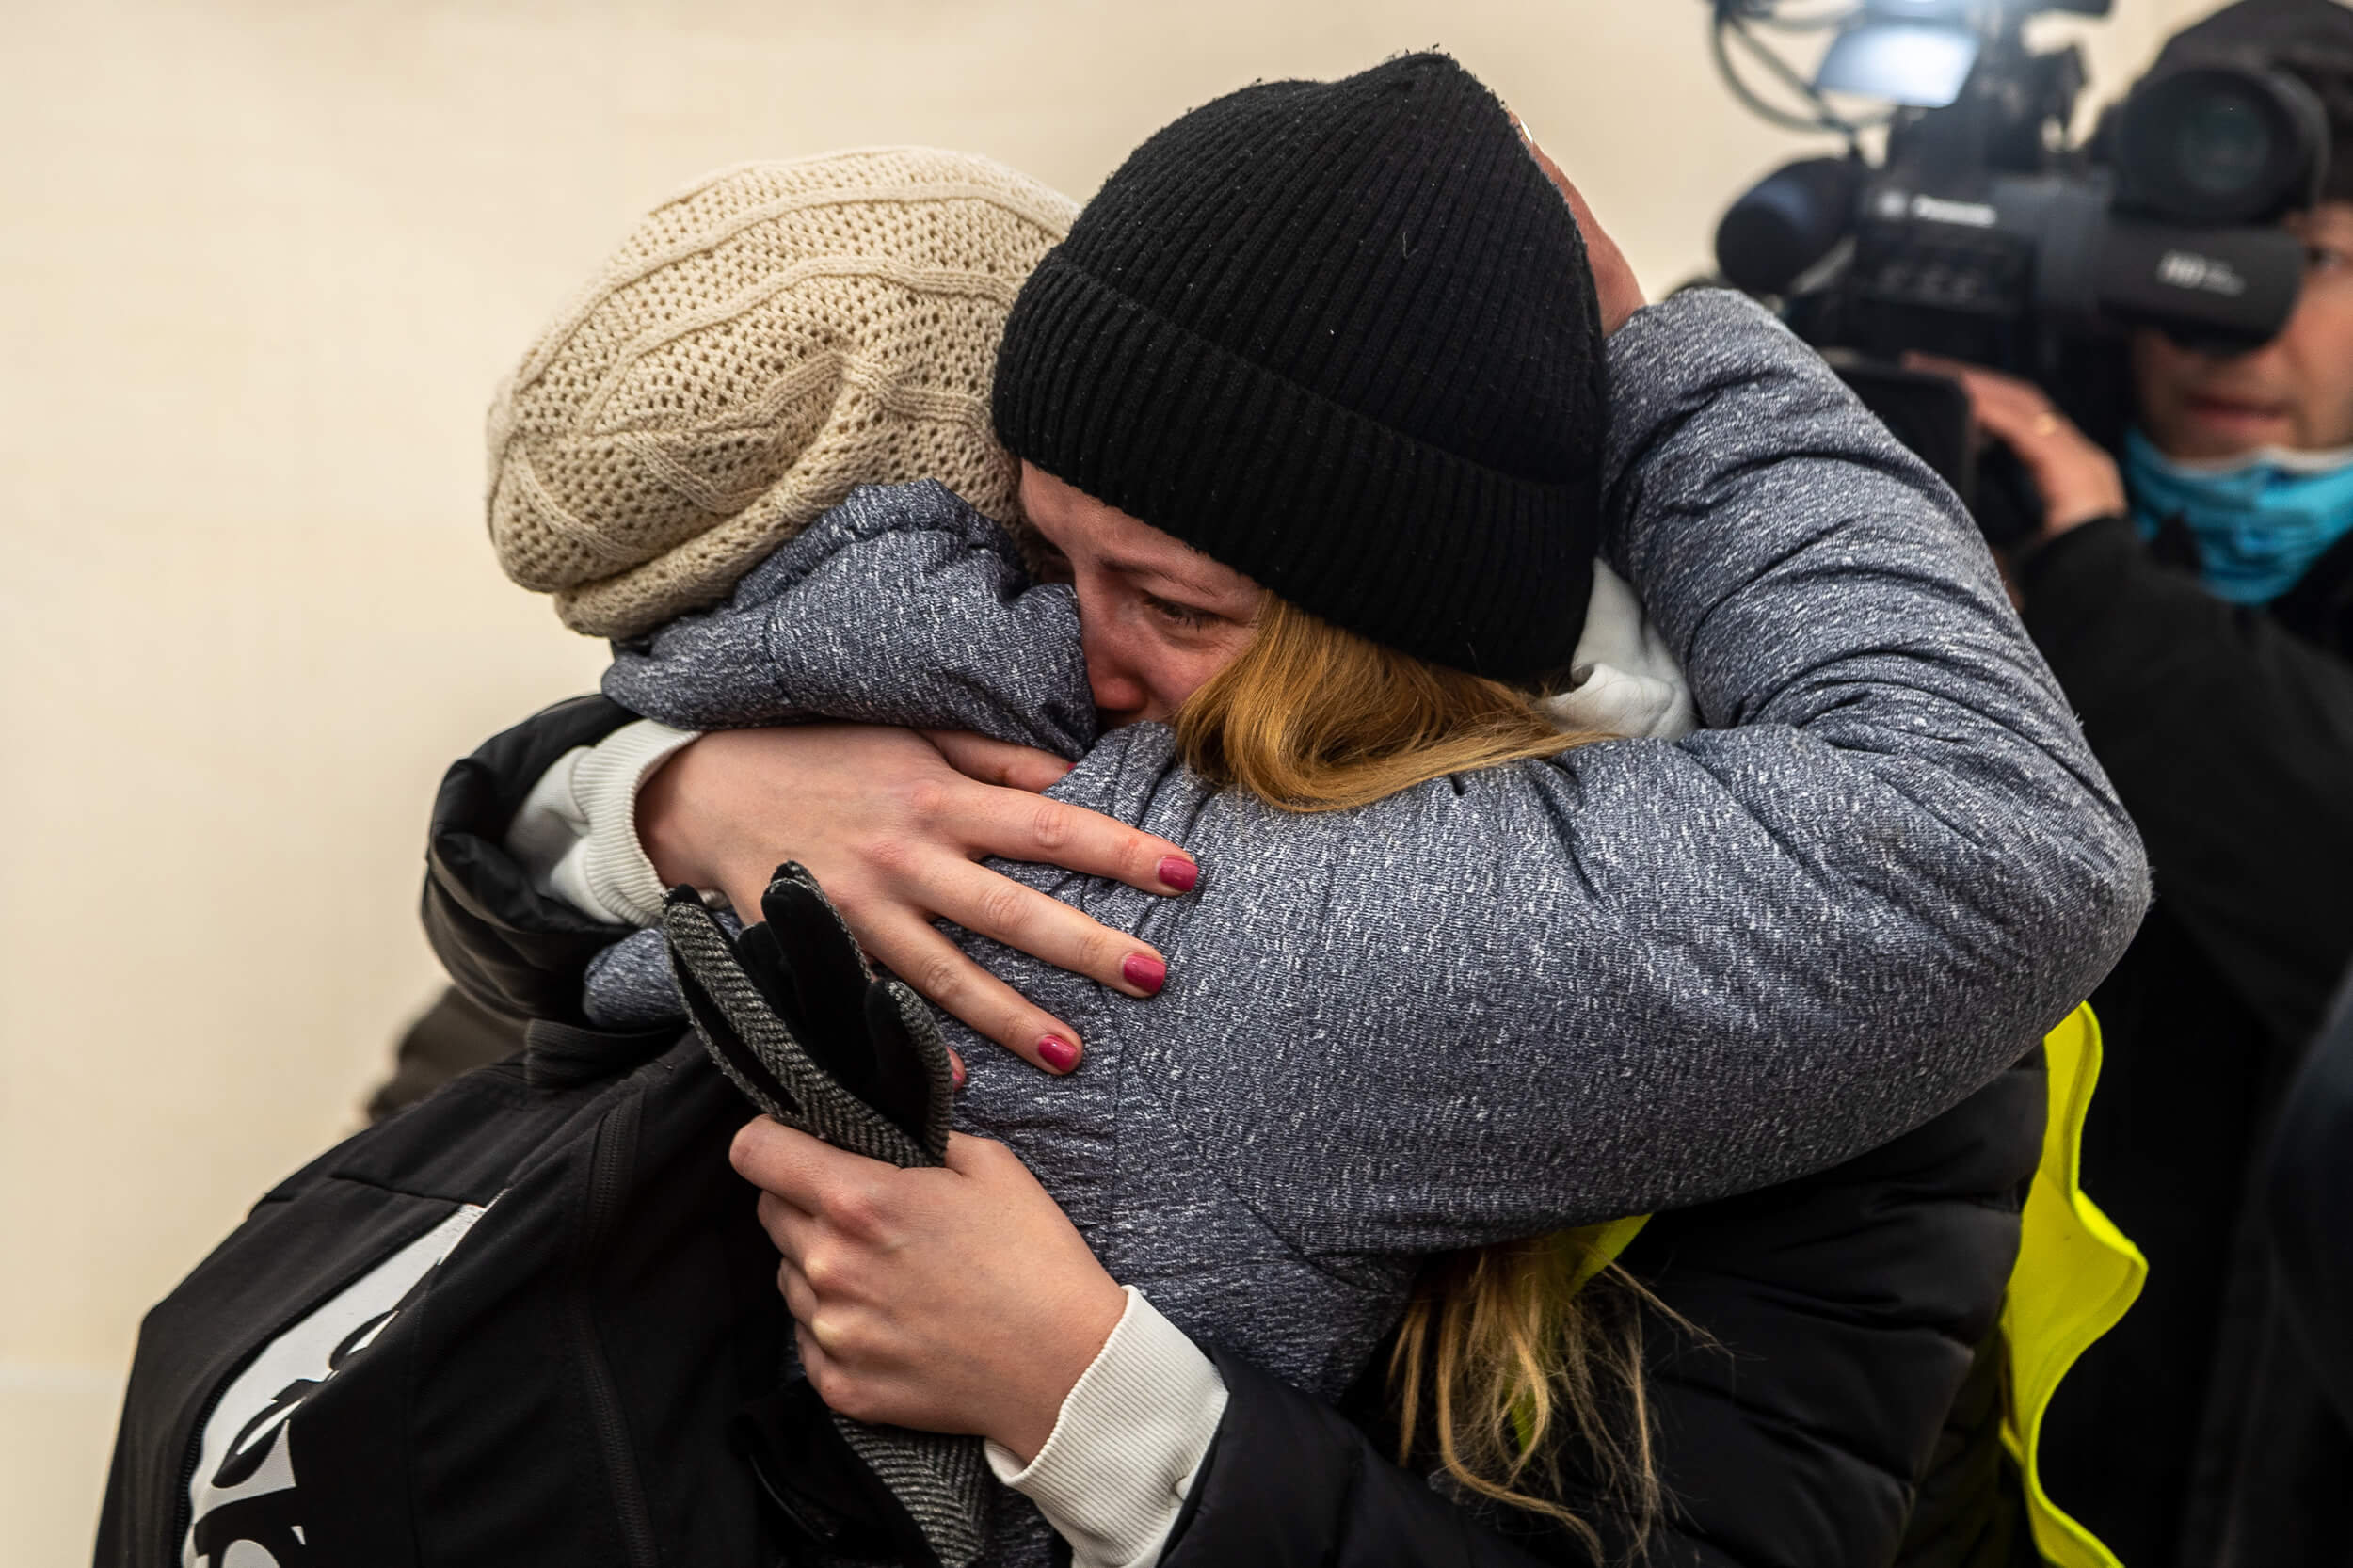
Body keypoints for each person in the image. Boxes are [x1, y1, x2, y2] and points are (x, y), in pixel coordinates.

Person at [430, 64, 2143, 1564]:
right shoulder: (989, 814)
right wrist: (663, 793)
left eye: (1172, 602)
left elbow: (2007, 845)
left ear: (1390, 607)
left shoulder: (1242, 914)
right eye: (1045, 558)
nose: (1082, 666)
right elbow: (2008, 824)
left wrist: (1110, 1405)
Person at [1909, 3, 2353, 1559]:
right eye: (2180, 251)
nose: (2222, 323)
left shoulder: (2084, 576)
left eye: (2307, 265)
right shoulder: (1958, 503)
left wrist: (2095, 589)